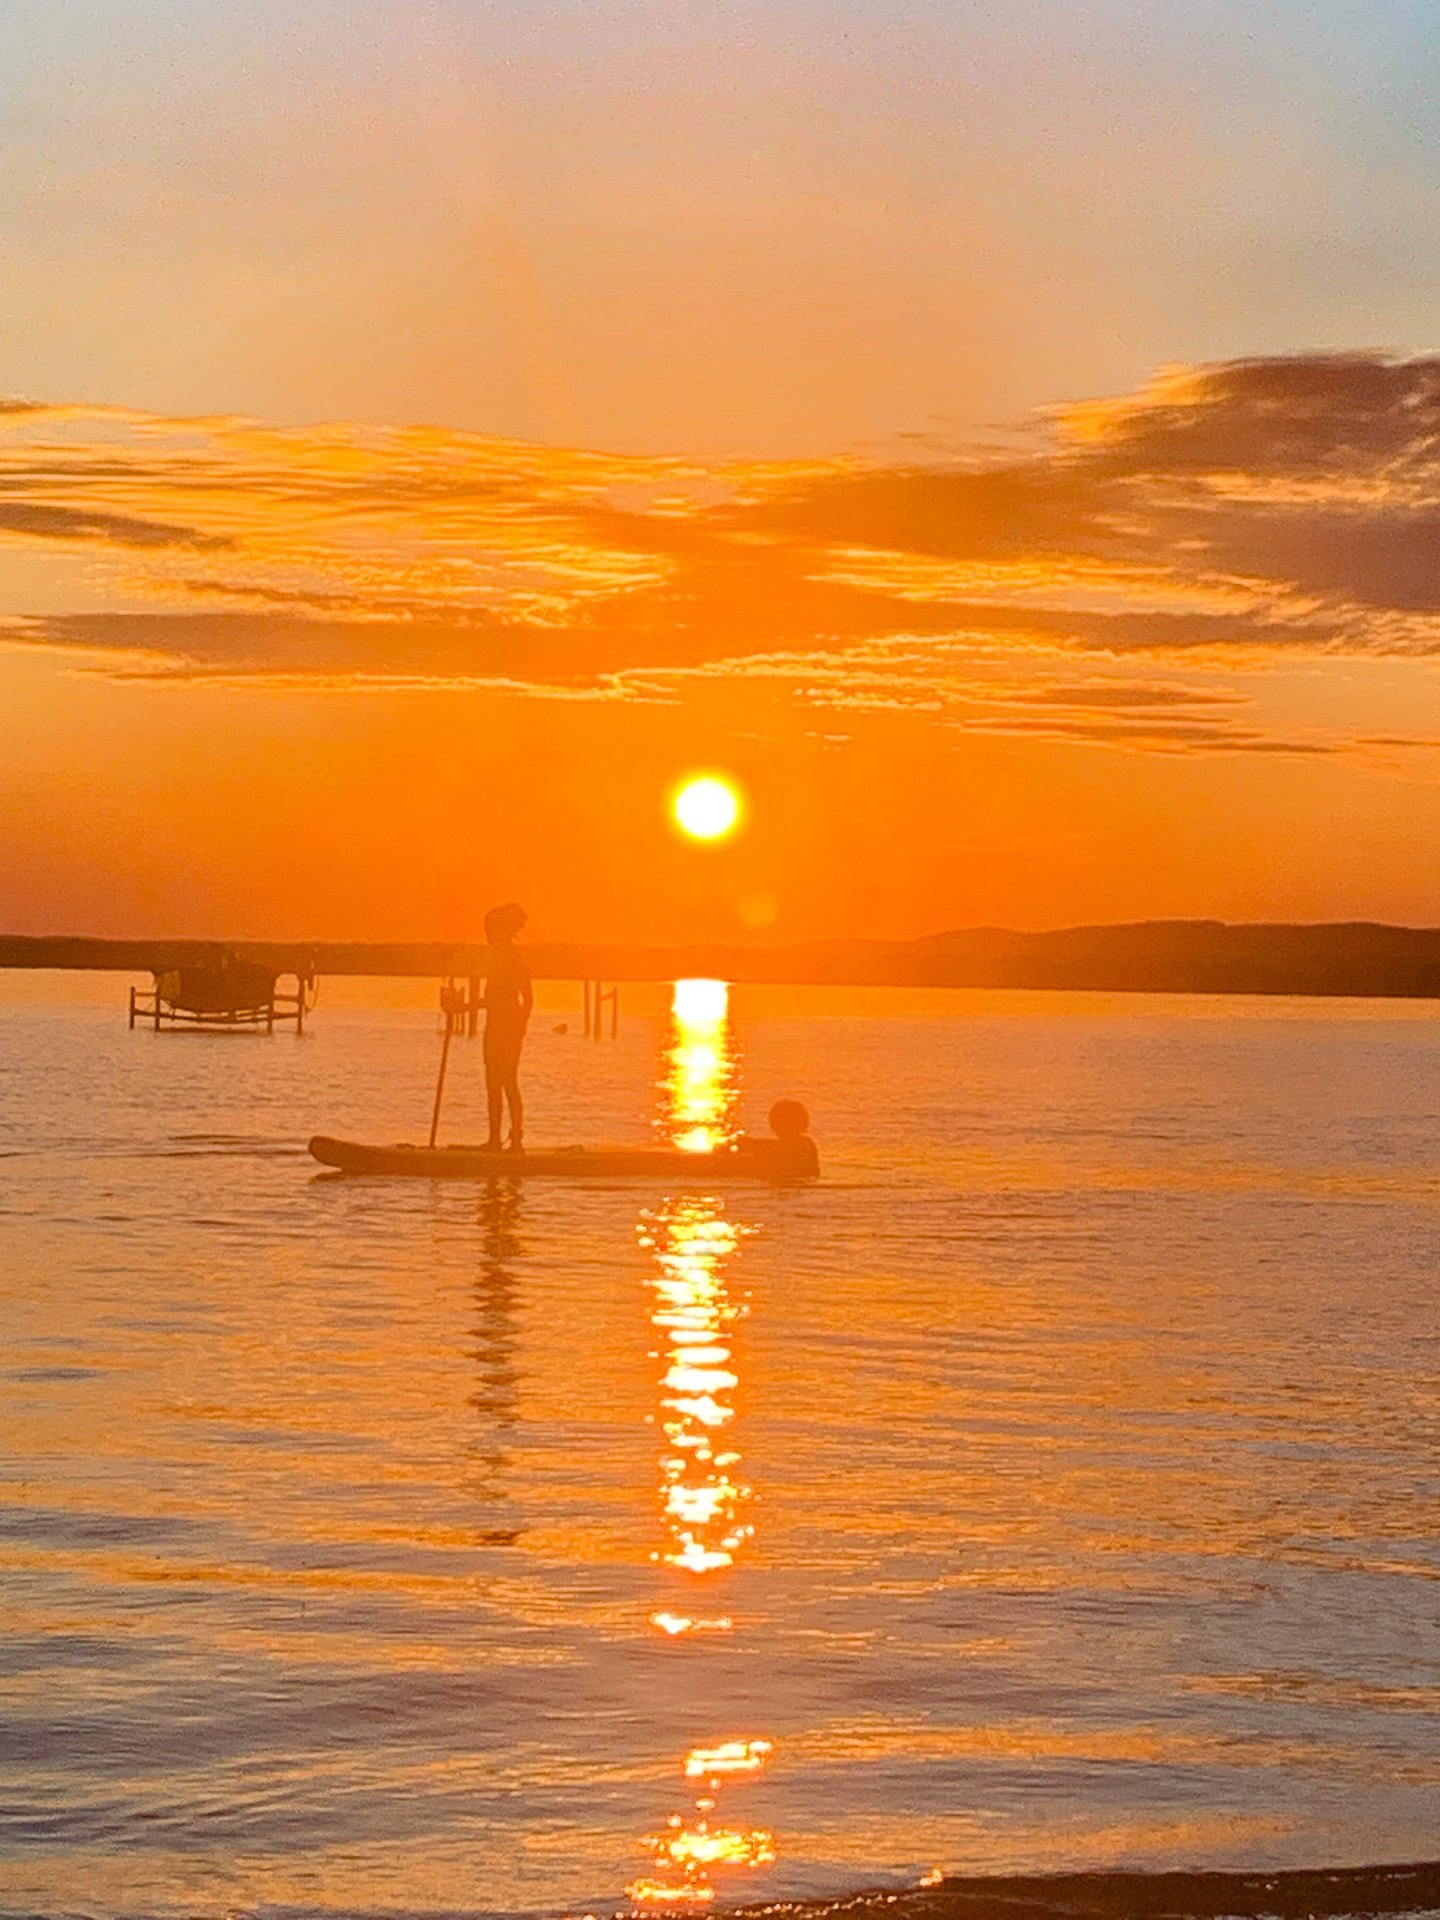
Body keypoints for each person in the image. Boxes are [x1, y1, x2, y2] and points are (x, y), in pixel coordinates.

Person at [481, 902, 533, 1152]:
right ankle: (493, 1140)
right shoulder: (496, 958)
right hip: (493, 1028)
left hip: (507, 1030)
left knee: (507, 1081)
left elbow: (528, 998)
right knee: (492, 1083)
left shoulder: (512, 958)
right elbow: (491, 999)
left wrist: (519, 1027)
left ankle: (516, 1140)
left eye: (489, 930)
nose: (487, 935)